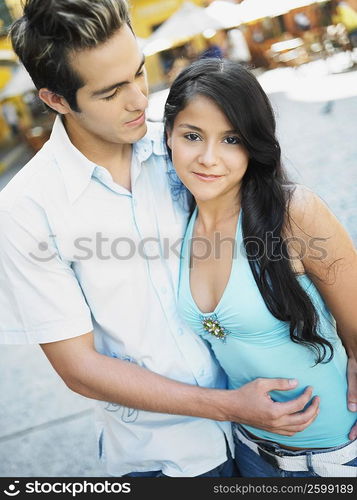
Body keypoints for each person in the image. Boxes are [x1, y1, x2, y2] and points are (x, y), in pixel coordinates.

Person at [0, 0, 321, 478]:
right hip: (162, 458)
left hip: (272, 429)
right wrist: (229, 406)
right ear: (55, 100)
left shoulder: (184, 148)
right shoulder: (26, 210)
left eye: (139, 72)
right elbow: (79, 368)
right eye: (111, 92)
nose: (138, 100)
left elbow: (287, 229)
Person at [164, 58, 357, 477]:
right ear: (169, 136)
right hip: (250, 453)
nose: (209, 158)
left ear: (255, 142)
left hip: (336, 459)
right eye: (192, 135)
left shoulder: (294, 212)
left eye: (231, 139)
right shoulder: (178, 222)